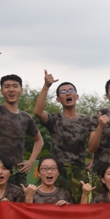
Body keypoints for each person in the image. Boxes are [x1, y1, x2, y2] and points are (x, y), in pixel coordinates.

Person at [0, 45, 43, 187]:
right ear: (2, 91)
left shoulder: (26, 118)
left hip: (16, 171)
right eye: (7, 86)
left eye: (15, 86)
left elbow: (39, 141)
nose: (11, 89)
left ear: (21, 90)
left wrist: (31, 161)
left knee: (19, 208)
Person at [33, 70, 92, 204]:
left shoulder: (86, 120)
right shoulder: (55, 119)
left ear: (77, 96)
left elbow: (98, 141)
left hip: (79, 171)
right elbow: (37, 111)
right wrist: (46, 86)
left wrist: (93, 161)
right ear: (58, 99)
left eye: (71, 91)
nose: (68, 93)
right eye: (63, 92)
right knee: (56, 208)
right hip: (57, 172)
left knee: (79, 209)